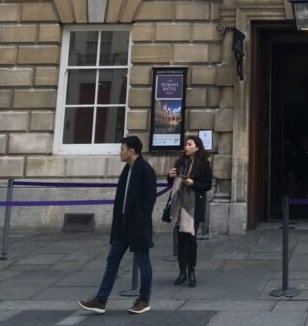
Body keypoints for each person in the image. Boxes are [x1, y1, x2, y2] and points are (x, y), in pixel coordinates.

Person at [78, 135, 157, 315]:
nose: (119, 152)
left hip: (137, 226)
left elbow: (149, 200)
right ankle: (101, 299)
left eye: (122, 149)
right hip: (122, 225)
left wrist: (141, 221)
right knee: (112, 260)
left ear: (131, 151)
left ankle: (144, 300)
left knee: (143, 262)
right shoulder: (126, 170)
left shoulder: (145, 170)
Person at [167, 135, 212, 287]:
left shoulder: (203, 164)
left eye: (189, 144)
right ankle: (182, 272)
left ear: (197, 147)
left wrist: (193, 183)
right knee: (180, 240)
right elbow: (172, 183)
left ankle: (191, 271)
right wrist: (169, 176)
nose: (186, 147)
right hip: (179, 204)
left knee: (191, 240)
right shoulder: (180, 162)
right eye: (185, 144)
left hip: (194, 206)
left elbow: (207, 185)